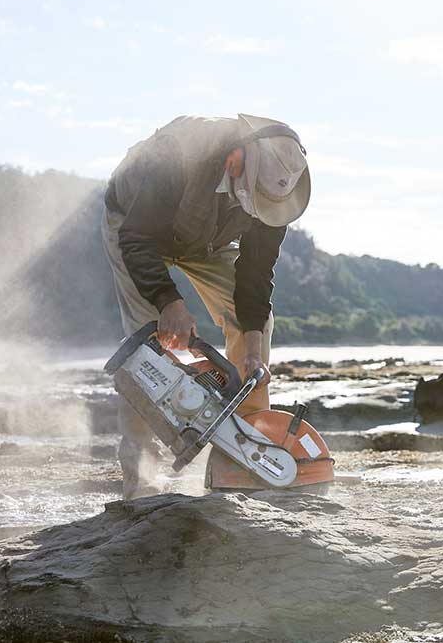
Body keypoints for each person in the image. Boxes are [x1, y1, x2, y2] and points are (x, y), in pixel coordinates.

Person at [101, 113, 310, 499]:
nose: (260, 210)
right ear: (235, 161)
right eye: (254, 200)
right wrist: (169, 301)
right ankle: (141, 480)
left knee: (256, 329)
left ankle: (248, 453)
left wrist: (250, 348)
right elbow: (137, 238)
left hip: (207, 240)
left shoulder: (278, 188)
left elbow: (256, 274)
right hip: (135, 227)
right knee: (146, 353)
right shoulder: (177, 155)